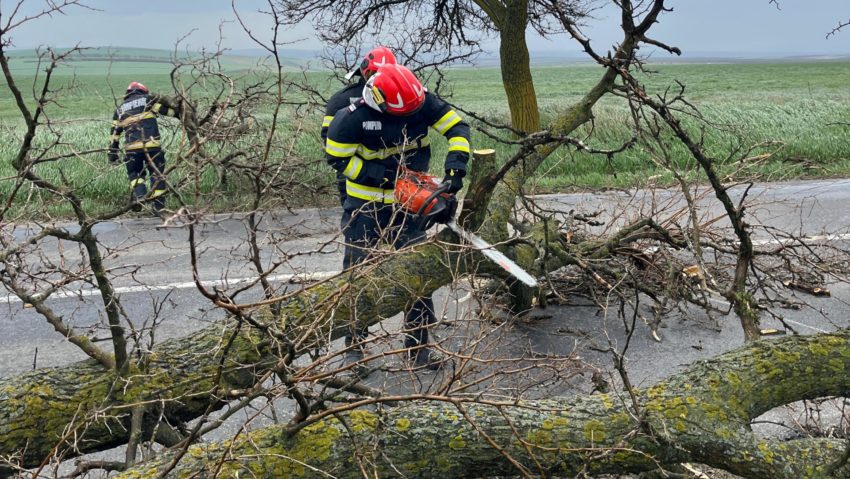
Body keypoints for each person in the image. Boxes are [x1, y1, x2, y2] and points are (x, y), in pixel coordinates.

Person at [325, 63, 471, 370]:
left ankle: (419, 349)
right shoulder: (350, 119)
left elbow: (458, 129)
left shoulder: (421, 102)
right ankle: (354, 349)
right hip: (364, 206)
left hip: (409, 207)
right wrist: (386, 177)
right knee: (357, 276)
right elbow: (339, 161)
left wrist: (455, 169)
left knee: (418, 272)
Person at [321, 46, 397, 206]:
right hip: (367, 178)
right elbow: (330, 142)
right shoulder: (342, 100)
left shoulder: (339, 99)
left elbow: (328, 141)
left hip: (366, 176)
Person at [108, 81, 181, 216]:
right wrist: (181, 112)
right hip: (152, 146)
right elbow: (168, 112)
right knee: (157, 175)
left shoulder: (119, 110)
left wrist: (113, 153)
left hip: (132, 148)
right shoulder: (148, 100)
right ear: (143, 91)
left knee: (134, 173)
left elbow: (114, 135)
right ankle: (159, 208)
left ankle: (140, 197)